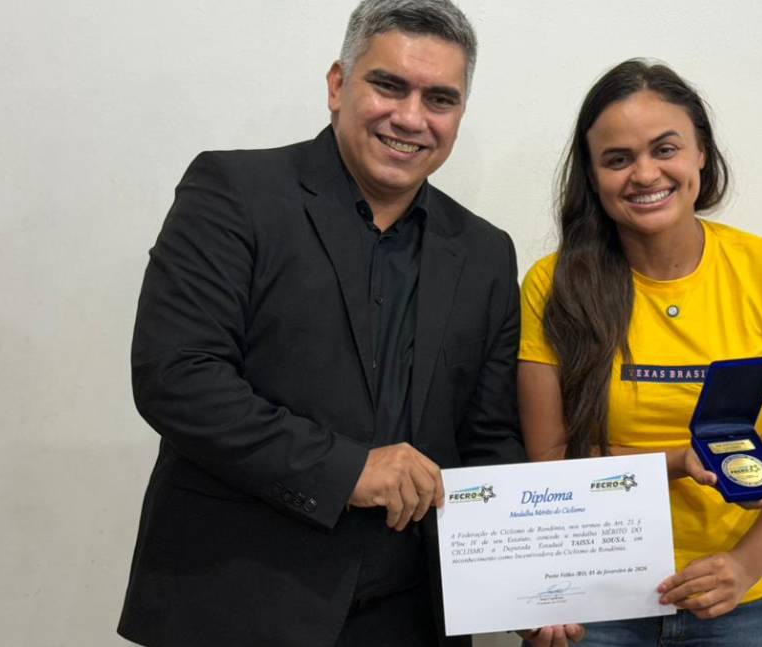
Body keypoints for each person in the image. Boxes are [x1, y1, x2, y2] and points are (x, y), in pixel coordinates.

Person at [117, 2, 531, 645]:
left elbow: (490, 438)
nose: (411, 117)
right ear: (339, 85)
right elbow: (178, 377)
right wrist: (348, 470)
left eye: (440, 98)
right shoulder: (232, 191)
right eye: (389, 85)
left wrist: (528, 584)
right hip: (237, 602)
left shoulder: (485, 251)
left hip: (411, 615)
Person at [517, 59, 762, 647]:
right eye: (617, 159)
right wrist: (676, 460)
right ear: (592, 177)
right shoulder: (553, 285)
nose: (645, 174)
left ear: (700, 153)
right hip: (599, 602)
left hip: (743, 603)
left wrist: (744, 566)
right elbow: (550, 459)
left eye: (664, 149)